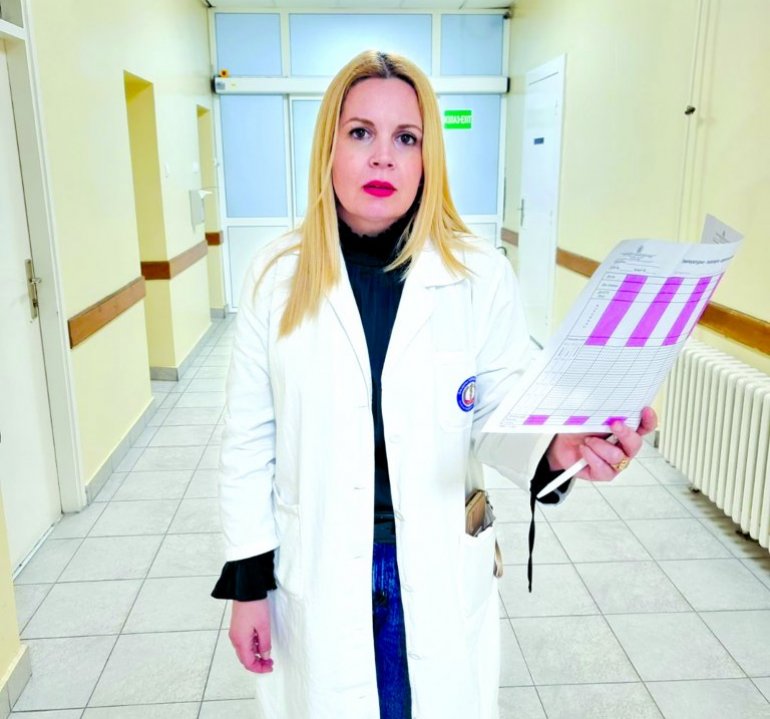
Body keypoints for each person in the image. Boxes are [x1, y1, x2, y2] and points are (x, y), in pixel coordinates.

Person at [211, 50, 657, 719]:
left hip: (435, 565)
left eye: (406, 138)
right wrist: (247, 584)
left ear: (428, 159)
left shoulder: (477, 273)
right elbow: (249, 438)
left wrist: (558, 447)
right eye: (360, 132)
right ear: (328, 147)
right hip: (319, 568)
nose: (383, 158)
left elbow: (503, 408)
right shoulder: (275, 276)